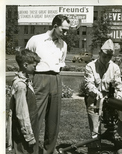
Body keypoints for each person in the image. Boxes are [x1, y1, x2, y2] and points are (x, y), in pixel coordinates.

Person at [25, 14, 70, 154]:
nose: (66, 33)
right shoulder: (36, 40)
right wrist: (28, 80)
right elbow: (25, 60)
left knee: (53, 119)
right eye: (64, 29)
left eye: (68, 30)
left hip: (56, 79)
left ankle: (48, 150)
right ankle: (31, 149)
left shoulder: (63, 45)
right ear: (55, 26)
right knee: (35, 116)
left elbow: (61, 64)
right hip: (39, 78)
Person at [84, 39, 122, 142]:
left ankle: (118, 146)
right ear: (99, 54)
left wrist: (118, 96)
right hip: (94, 99)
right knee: (95, 130)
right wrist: (98, 95)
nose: (106, 59)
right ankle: (95, 147)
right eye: (104, 56)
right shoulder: (90, 66)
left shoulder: (115, 67)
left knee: (115, 127)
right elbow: (89, 84)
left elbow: (119, 85)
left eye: (109, 57)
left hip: (110, 100)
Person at [9, 49, 40, 154]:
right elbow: (21, 113)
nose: (36, 68)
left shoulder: (26, 81)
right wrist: (28, 135)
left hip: (32, 125)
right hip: (25, 130)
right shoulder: (21, 85)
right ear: (25, 65)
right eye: (34, 66)